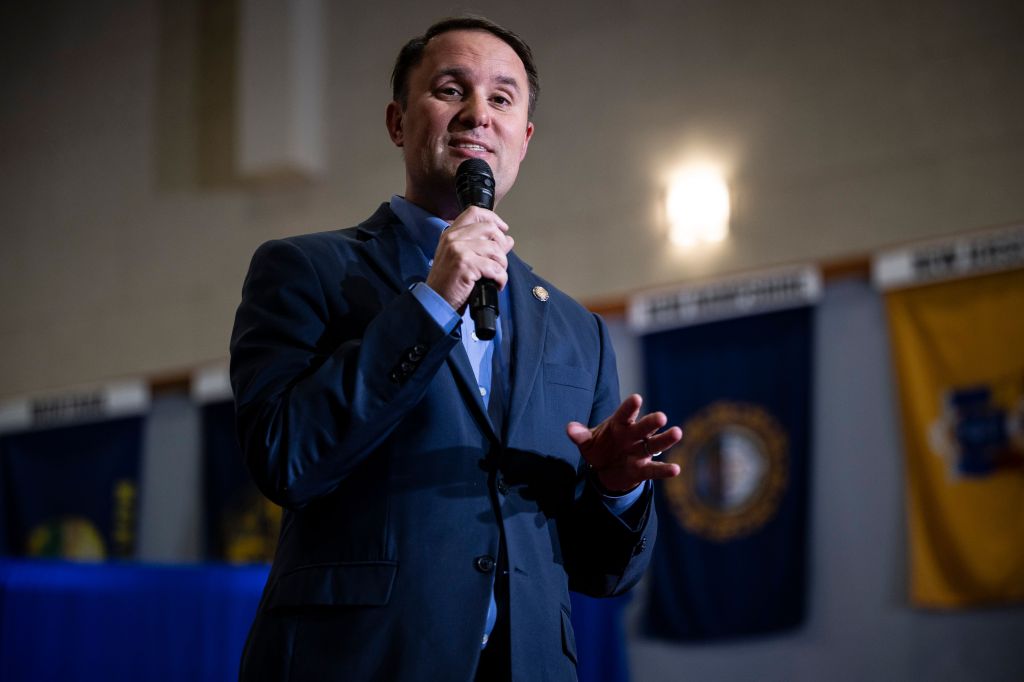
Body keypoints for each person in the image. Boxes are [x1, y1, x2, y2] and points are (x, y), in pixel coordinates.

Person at [230, 16, 681, 682]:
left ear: (523, 139)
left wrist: (612, 489)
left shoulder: (575, 330)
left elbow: (605, 572)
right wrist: (433, 300)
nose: (478, 113)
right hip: (358, 661)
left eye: (502, 98)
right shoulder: (304, 270)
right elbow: (285, 460)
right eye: (450, 89)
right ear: (397, 121)